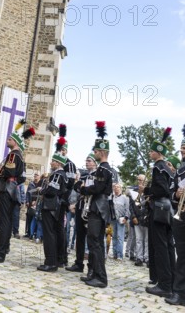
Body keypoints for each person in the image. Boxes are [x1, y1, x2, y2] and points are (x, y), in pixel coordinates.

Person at [0, 120, 35, 264]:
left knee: (4, 221)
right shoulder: (20, 156)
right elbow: (21, 177)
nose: (7, 140)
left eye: (10, 139)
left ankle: (1, 253)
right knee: (4, 219)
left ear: (16, 142)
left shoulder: (13, 155)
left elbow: (9, 171)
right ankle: (4, 246)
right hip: (12, 190)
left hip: (7, 189)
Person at [75, 121, 113, 289]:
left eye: (96, 151)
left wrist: (83, 188)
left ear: (102, 152)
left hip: (98, 207)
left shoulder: (104, 169)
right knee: (95, 242)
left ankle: (100, 277)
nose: (94, 154)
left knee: (95, 242)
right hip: (97, 206)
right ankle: (97, 275)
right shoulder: (104, 169)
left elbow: (97, 189)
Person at [145, 127, 176, 298]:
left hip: (160, 210)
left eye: (151, 150)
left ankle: (164, 285)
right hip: (169, 211)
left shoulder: (158, 167)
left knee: (161, 247)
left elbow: (162, 189)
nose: (149, 153)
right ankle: (170, 282)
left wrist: (150, 192)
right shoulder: (168, 169)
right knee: (168, 247)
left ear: (158, 153)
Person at [37, 136, 68, 271]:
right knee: (53, 233)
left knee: (49, 234)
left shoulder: (57, 175)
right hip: (55, 207)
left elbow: (51, 190)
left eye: (53, 161)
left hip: (50, 206)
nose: (51, 163)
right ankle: (53, 260)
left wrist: (42, 190)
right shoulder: (62, 175)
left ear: (58, 163)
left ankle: (50, 262)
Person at [66, 153, 98, 275]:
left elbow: (91, 190)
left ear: (95, 163)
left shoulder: (96, 175)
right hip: (81, 206)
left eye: (89, 160)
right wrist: (82, 188)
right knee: (79, 236)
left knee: (90, 238)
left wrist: (83, 188)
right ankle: (78, 263)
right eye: (86, 160)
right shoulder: (84, 175)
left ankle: (91, 267)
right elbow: (77, 187)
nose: (87, 162)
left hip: (90, 209)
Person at [165, 127, 185, 306]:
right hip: (182, 216)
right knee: (182, 255)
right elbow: (171, 192)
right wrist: (177, 195)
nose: (183, 150)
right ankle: (179, 292)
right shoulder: (179, 171)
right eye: (182, 147)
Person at [58, 124, 77, 266]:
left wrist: (63, 198)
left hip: (63, 201)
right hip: (57, 199)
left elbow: (69, 184)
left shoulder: (69, 164)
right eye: (60, 149)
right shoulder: (57, 163)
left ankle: (63, 257)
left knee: (62, 229)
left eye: (63, 149)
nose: (61, 151)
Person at [129, 174, 149, 267]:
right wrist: (133, 217)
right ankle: (139, 258)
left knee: (146, 240)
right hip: (137, 218)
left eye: (141, 180)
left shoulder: (148, 191)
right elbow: (131, 206)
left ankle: (147, 258)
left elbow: (148, 206)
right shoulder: (134, 192)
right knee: (138, 240)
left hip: (146, 219)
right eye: (139, 180)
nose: (139, 182)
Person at [111, 183, 130, 261]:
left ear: (121, 189)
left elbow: (127, 209)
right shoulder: (112, 198)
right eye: (115, 187)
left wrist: (126, 217)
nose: (116, 188)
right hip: (113, 219)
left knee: (120, 237)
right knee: (114, 236)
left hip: (121, 219)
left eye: (118, 187)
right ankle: (115, 253)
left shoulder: (125, 198)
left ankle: (120, 255)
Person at [24, 173, 40, 238]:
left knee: (36, 219)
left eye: (37, 175)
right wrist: (27, 201)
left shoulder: (40, 184)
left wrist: (36, 202)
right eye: (34, 175)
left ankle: (34, 233)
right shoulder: (31, 184)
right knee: (29, 218)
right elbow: (28, 193)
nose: (35, 176)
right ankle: (28, 233)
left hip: (37, 204)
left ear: (39, 177)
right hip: (30, 203)